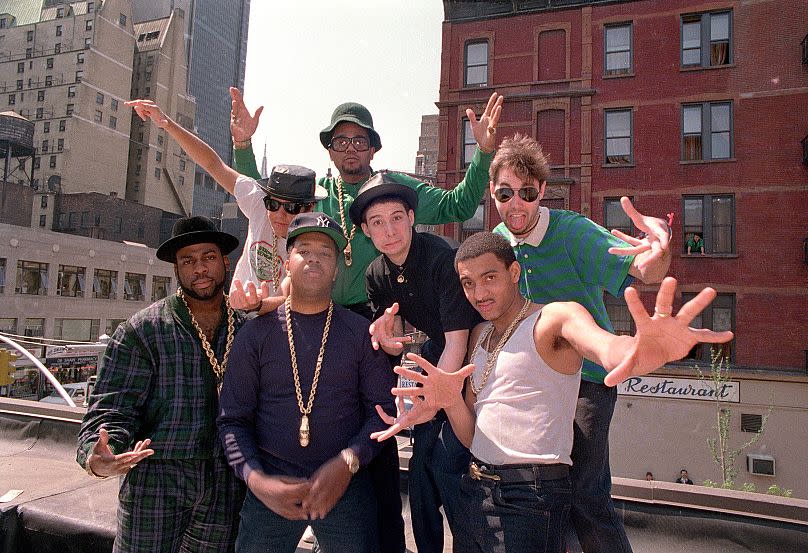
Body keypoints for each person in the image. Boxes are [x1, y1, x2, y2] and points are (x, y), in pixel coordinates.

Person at [229, 87, 502, 552]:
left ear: (374, 147)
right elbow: (270, 203)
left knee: (378, 447)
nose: (350, 148)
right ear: (329, 149)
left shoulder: (396, 189)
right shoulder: (316, 194)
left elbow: (458, 206)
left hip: (372, 330)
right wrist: (243, 147)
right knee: (304, 420)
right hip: (322, 320)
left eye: (360, 140)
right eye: (340, 141)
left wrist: (484, 153)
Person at [372, 231, 732, 553]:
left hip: (530, 499)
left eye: (489, 278)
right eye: (467, 283)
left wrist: (638, 351)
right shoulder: (478, 337)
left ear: (514, 274)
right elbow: (471, 438)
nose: (479, 293)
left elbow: (604, 347)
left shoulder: (554, 319)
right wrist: (448, 402)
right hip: (474, 491)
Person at [486, 134, 673, 552]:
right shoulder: (498, 243)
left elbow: (646, 269)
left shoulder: (573, 233)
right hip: (534, 385)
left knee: (586, 492)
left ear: (542, 193)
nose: (516, 204)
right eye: (505, 193)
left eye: (527, 193)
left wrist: (661, 248)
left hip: (588, 377)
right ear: (492, 192)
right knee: (546, 492)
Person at [217, 212, 396, 553]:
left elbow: (383, 412)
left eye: (326, 252)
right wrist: (256, 480)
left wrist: (349, 461)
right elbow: (232, 420)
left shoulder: (360, 333)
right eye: (304, 250)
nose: (314, 257)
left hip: (344, 486)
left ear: (337, 269)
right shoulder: (255, 334)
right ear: (286, 263)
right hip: (271, 484)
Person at [76, 216, 247, 552]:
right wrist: (98, 457)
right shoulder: (142, 331)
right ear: (176, 270)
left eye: (209, 257)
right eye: (188, 260)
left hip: (225, 480)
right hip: (156, 475)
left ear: (225, 263)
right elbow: (112, 408)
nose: (200, 269)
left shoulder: (247, 330)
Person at [350, 172, 482, 553]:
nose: (388, 230)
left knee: (451, 467)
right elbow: (396, 342)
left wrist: (432, 400)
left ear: (411, 217)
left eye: (396, 217)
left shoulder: (443, 259)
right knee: (421, 483)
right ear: (366, 231)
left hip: (472, 361)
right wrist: (387, 340)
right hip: (431, 361)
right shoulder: (376, 274)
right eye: (377, 223)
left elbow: (458, 341)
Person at [127, 99, 326, 313]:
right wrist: (166, 124)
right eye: (273, 203)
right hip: (238, 316)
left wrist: (256, 305)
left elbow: (292, 298)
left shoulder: (316, 242)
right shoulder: (258, 205)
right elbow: (213, 164)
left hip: (281, 324)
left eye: (292, 208)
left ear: (310, 208)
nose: (280, 214)